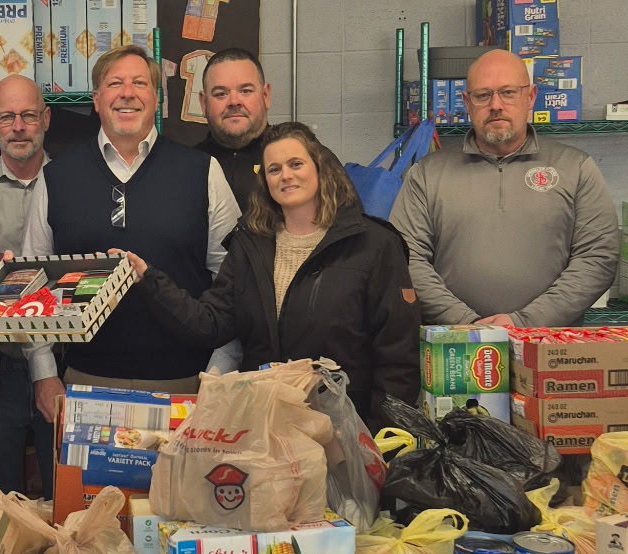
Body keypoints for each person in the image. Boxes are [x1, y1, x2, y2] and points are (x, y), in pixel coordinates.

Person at [125, 121, 420, 417]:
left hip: (342, 428)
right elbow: (210, 324)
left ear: (320, 167)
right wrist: (150, 279)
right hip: (266, 427)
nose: (286, 176)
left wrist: (380, 440)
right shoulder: (250, 246)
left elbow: (398, 358)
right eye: (274, 169)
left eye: (296, 164)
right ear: (265, 181)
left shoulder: (374, 245)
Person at [22, 46, 240, 417]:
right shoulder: (56, 178)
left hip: (188, 388)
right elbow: (32, 282)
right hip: (83, 386)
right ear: (96, 99)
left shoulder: (203, 172)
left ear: (156, 98)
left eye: (140, 83)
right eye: (114, 83)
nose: (127, 92)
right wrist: (43, 374)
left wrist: (219, 375)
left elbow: (233, 284)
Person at [391, 47, 618, 326]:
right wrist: (468, 324)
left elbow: (597, 257)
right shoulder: (426, 175)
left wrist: (525, 322)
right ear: (466, 101)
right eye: (483, 95)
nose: (496, 105)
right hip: (454, 346)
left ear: (530, 97)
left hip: (547, 347)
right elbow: (406, 259)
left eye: (508, 92)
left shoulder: (576, 168)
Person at [0, 74, 55, 495]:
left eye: (29, 115)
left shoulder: (74, 183)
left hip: (63, 364)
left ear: (46, 118)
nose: (19, 127)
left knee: (64, 494)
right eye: (8, 117)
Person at [198, 47, 272, 208]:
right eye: (220, 94)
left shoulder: (305, 160)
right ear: (203, 104)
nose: (234, 102)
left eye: (245, 91)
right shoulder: (185, 169)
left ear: (265, 96)